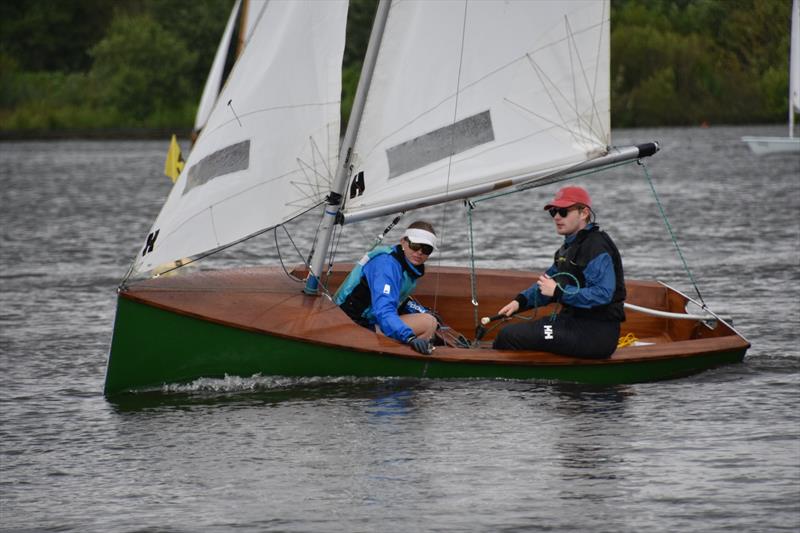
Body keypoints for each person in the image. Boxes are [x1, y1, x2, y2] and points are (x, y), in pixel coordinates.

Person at [492, 185, 625, 358]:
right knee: (511, 333)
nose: (556, 217)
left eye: (563, 212)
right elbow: (547, 283)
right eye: (553, 212)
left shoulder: (596, 246)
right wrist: (520, 302)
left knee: (508, 336)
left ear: (584, 213)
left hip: (595, 334)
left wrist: (558, 291)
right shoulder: (568, 248)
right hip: (573, 324)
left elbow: (602, 293)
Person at [335, 221, 439, 355]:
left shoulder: (406, 266)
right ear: (403, 242)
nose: (419, 252)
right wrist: (409, 337)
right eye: (415, 245)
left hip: (371, 318)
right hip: (352, 322)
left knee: (429, 319)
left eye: (426, 249)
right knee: (429, 323)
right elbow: (384, 310)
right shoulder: (386, 266)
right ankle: (405, 361)